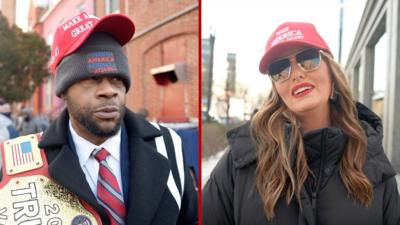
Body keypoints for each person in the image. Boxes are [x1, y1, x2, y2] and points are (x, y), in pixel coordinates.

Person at [0, 12, 197, 225]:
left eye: (116, 79)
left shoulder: (167, 144)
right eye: (92, 79)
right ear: (63, 90)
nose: (109, 91)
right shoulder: (21, 166)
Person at [203, 22, 400, 225]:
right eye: (280, 69)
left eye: (308, 58)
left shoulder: (371, 157)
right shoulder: (241, 159)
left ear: (331, 71)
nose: (296, 73)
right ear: (276, 88)